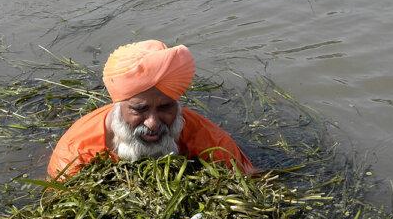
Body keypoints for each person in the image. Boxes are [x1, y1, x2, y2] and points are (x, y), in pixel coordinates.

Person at [47, 40, 256, 179]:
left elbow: (253, 179)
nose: (153, 123)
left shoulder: (211, 141)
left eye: (165, 107)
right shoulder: (74, 154)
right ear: (118, 106)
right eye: (139, 109)